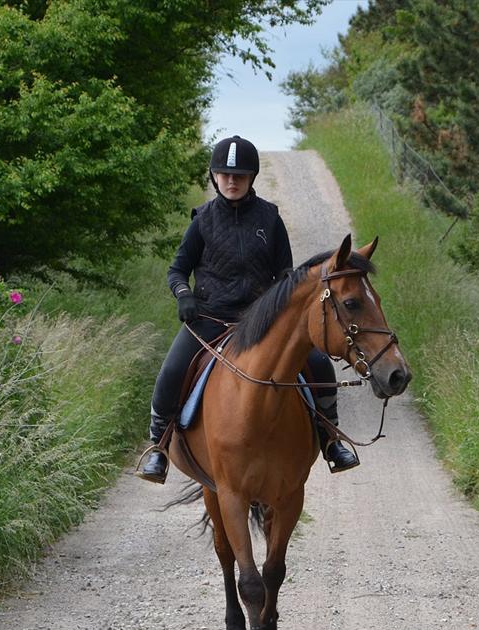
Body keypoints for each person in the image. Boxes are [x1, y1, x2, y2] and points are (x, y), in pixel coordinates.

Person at [137, 135, 359, 484]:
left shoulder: (269, 218)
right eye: (224, 174)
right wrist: (184, 295)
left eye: (239, 175)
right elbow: (177, 269)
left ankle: (331, 439)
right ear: (214, 177)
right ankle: (159, 447)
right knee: (172, 370)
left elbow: (287, 276)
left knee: (317, 362)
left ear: (251, 177)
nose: (231, 181)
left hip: (261, 321)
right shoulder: (203, 220)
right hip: (209, 318)